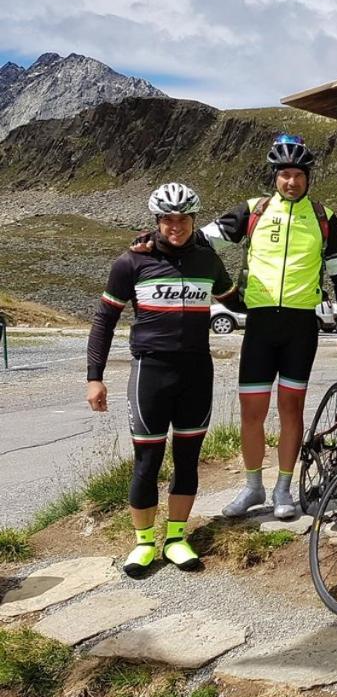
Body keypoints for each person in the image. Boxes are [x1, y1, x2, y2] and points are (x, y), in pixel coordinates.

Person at [201, 134, 337, 521]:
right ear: (275, 176)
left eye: (298, 175)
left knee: (291, 408)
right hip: (260, 324)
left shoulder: (323, 217)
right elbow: (201, 241)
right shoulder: (254, 210)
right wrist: (226, 292)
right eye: (285, 174)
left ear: (308, 177)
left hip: (300, 326)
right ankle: (253, 487)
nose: (291, 181)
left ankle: (283, 489)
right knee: (251, 411)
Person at [88, 184, 237, 577]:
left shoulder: (207, 260)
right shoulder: (131, 262)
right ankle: (142, 543)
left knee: (187, 459)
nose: (176, 226)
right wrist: (94, 377)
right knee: (147, 460)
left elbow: (236, 299)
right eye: (168, 219)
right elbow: (104, 321)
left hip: (196, 372)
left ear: (193, 219)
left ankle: (175, 538)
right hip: (150, 371)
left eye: (183, 218)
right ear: (157, 221)